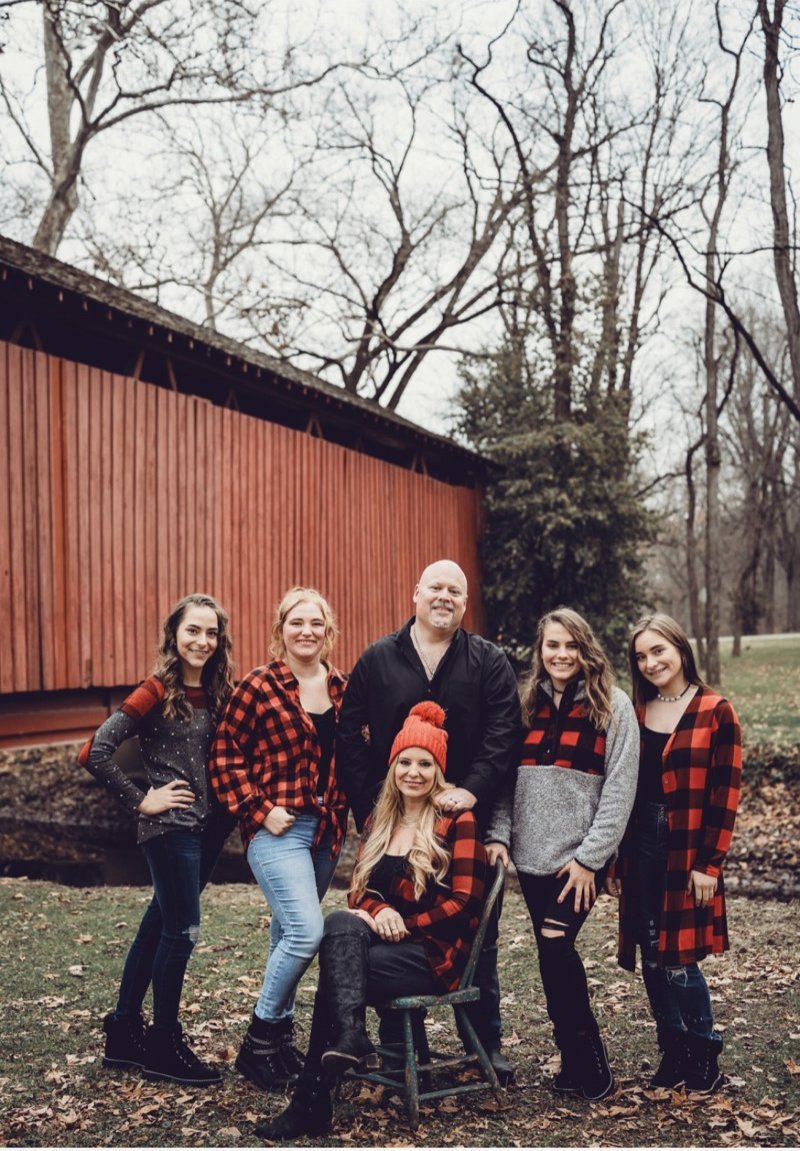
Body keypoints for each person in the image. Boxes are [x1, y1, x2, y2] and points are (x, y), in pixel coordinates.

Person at [256, 700, 488, 1141]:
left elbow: (465, 905)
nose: (413, 772)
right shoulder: (381, 820)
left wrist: (403, 923)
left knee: (336, 970)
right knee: (340, 924)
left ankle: (313, 1099)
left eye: (425, 763)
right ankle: (348, 1037)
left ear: (438, 770)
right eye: (405, 762)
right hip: (385, 944)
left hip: (433, 954)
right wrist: (379, 912)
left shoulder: (456, 820)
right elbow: (359, 893)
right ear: (393, 766)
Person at [336, 558, 521, 1081]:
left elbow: (503, 736)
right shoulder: (378, 658)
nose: (445, 596)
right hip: (397, 821)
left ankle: (486, 1041)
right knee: (387, 921)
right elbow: (349, 737)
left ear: (465, 602)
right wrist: (371, 812)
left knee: (475, 939)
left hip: (462, 825)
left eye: (455, 591)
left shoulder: (487, 660)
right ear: (416, 593)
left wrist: (471, 791)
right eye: (436, 587)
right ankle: (403, 1046)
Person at [78, 592, 235, 1086]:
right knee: (182, 929)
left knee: (159, 921)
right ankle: (164, 1042)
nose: (202, 641)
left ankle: (125, 1030)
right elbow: (96, 750)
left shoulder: (218, 690)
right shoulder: (155, 689)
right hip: (169, 829)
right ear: (174, 635)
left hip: (205, 829)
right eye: (193, 630)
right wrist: (142, 799)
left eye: (211, 633)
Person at [486, 607, 639, 1101]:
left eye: (571, 645)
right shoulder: (526, 704)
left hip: (577, 861)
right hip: (529, 859)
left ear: (585, 648)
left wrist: (591, 859)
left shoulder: (612, 706)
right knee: (551, 958)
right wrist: (500, 835)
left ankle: (594, 1067)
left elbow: (620, 791)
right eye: (552, 645)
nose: (561, 655)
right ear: (541, 651)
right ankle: (574, 1067)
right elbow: (506, 782)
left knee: (555, 946)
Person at [209, 587, 348, 1091]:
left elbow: (354, 758)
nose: (306, 631)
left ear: (327, 630)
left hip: (326, 834)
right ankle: (257, 1042)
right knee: (306, 934)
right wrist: (259, 809)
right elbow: (224, 756)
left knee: (284, 935)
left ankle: (279, 1047)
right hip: (277, 834)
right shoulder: (258, 686)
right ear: (280, 630)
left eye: (315, 623)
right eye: (296, 622)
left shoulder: (342, 688)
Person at [605, 613, 742, 1094]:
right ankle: (674, 1049)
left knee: (679, 958)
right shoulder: (635, 710)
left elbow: (725, 794)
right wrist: (615, 856)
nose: (650, 662)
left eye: (658, 651)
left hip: (684, 846)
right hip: (639, 840)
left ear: (681, 649)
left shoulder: (715, 710)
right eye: (641, 656)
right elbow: (622, 785)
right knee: (649, 950)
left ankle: (704, 1051)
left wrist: (710, 863)